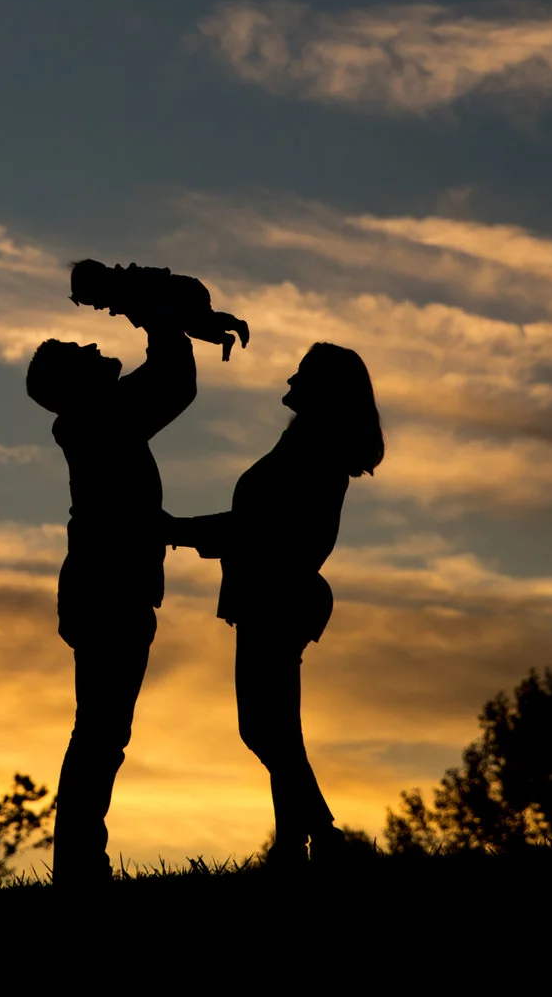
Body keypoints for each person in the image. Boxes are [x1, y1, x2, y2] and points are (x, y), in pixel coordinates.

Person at [26, 265, 241, 886]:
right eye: (81, 353)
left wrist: (168, 316)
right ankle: (79, 866)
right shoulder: (99, 419)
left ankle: (80, 863)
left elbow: (169, 382)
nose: (95, 346)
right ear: (73, 385)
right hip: (108, 594)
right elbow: (173, 382)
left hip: (104, 590)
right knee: (100, 732)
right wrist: (157, 315)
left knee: (100, 730)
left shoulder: (99, 419)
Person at [168, 342, 384, 866]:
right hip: (273, 594)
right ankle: (293, 843)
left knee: (262, 728)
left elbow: (255, 529)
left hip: (276, 595)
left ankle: (321, 831)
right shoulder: (305, 445)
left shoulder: (312, 451)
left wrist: (176, 530)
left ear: (322, 390)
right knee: (280, 727)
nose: (291, 380)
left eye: (303, 374)